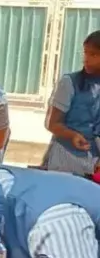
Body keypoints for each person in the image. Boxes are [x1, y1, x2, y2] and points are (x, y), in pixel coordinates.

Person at [42, 31, 100, 175]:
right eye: (85, 53)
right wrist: (72, 135)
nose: (86, 59)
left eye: (93, 55)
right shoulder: (69, 83)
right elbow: (51, 123)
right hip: (65, 158)